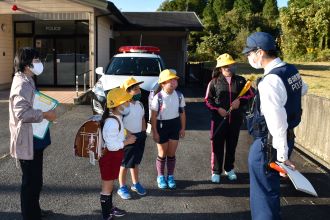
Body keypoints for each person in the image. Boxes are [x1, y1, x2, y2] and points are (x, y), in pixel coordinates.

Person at [243, 32, 308, 220]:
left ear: (260, 52)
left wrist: (281, 157)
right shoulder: (290, 69)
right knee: (271, 191)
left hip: (268, 144)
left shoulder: (270, 82)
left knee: (263, 194)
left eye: (249, 53)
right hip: (287, 138)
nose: (249, 58)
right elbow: (303, 89)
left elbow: (276, 123)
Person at [9, 47, 56, 220]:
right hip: (27, 139)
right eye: (36, 60)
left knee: (36, 181)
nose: (39, 63)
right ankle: (30, 215)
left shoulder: (27, 79)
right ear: (27, 64)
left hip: (34, 137)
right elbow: (21, 113)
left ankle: (35, 210)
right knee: (30, 182)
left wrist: (44, 107)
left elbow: (30, 105)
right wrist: (44, 114)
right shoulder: (21, 84)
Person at [205, 53, 254, 183]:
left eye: (230, 65)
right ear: (220, 68)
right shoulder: (214, 82)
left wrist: (240, 101)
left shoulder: (241, 80)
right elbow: (207, 100)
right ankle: (216, 171)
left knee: (232, 145)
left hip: (235, 120)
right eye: (224, 66)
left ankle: (229, 168)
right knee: (217, 146)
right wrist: (218, 109)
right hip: (218, 121)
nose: (227, 68)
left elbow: (250, 94)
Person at [99, 87, 137, 220]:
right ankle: (106, 215)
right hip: (109, 158)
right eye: (125, 102)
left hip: (113, 158)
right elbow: (112, 146)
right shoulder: (111, 122)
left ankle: (110, 209)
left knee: (109, 187)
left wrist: (126, 133)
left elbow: (117, 133)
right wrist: (127, 141)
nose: (128, 104)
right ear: (116, 105)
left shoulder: (116, 117)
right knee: (107, 188)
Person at [150, 69, 186, 189]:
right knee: (162, 153)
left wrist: (183, 128)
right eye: (170, 80)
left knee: (171, 154)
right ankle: (160, 176)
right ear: (162, 84)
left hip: (174, 125)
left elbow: (182, 113)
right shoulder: (158, 97)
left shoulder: (179, 95)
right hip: (161, 126)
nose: (173, 82)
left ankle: (170, 176)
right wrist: (154, 132)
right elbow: (153, 116)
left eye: (174, 79)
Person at [117, 77, 147, 199]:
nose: (139, 91)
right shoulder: (123, 107)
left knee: (135, 162)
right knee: (124, 164)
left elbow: (142, 119)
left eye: (139, 89)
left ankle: (135, 183)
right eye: (135, 89)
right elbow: (119, 123)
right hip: (128, 139)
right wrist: (129, 135)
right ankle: (122, 187)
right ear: (126, 92)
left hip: (140, 137)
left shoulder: (140, 104)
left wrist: (144, 133)